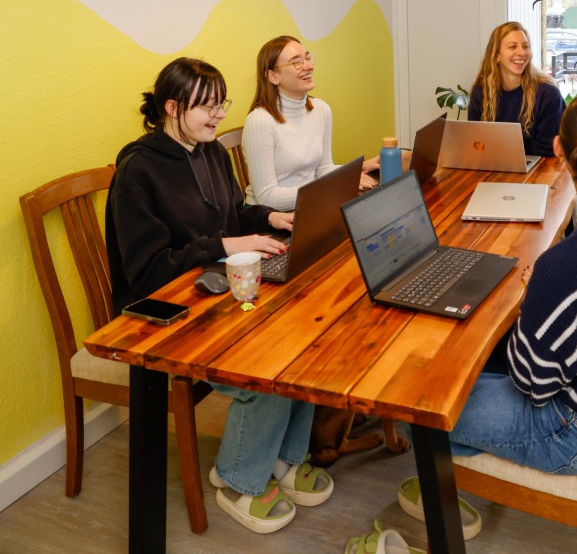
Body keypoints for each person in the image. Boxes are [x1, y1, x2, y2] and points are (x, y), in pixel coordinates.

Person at [396, 90, 577, 537]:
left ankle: (443, 497)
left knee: (414, 405)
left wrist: (534, 302)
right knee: (468, 370)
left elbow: (534, 383)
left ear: (558, 149)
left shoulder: (561, 266)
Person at [105, 57, 333, 534]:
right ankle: (236, 480)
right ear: (172, 107)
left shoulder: (208, 151)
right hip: (163, 311)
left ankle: (281, 458)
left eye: (221, 103)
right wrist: (227, 245)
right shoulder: (138, 171)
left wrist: (268, 218)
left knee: (303, 340)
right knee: (265, 367)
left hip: (219, 288)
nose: (219, 115)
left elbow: (233, 214)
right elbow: (147, 272)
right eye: (207, 107)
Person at [242, 35, 377, 210]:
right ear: (273, 76)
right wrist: (335, 187)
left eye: (307, 57)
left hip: (310, 203)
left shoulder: (321, 109)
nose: (309, 66)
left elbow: (323, 169)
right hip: (269, 216)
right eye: (297, 62)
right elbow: (267, 197)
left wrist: (358, 169)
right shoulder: (259, 121)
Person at [467, 21, 565, 157]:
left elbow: (546, 154)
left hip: (540, 167)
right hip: (492, 166)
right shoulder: (481, 92)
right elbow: (476, 145)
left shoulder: (548, 93)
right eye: (512, 47)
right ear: (496, 55)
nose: (521, 52)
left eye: (525, 46)